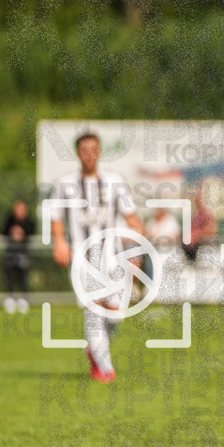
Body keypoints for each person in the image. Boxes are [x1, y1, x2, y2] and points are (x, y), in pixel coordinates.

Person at [50, 132, 144, 383]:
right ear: (78, 153)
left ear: (99, 152)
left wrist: (138, 245)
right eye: (84, 149)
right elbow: (56, 218)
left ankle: (94, 349)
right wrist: (59, 240)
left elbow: (132, 219)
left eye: (94, 149)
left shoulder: (115, 181)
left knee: (116, 315)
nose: (89, 153)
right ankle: (105, 369)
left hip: (112, 257)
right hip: (83, 258)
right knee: (93, 312)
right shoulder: (65, 183)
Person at [3, 200, 35, 313]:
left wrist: (21, 233)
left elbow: (30, 232)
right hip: (11, 254)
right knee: (10, 277)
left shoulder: (29, 222)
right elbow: (5, 231)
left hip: (23, 255)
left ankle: (24, 300)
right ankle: (10, 299)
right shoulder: (9, 220)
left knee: (23, 278)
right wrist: (13, 232)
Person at [182, 185, 217, 264]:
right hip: (191, 248)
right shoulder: (194, 214)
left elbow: (211, 232)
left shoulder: (207, 214)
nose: (195, 198)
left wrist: (196, 235)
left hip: (201, 247)